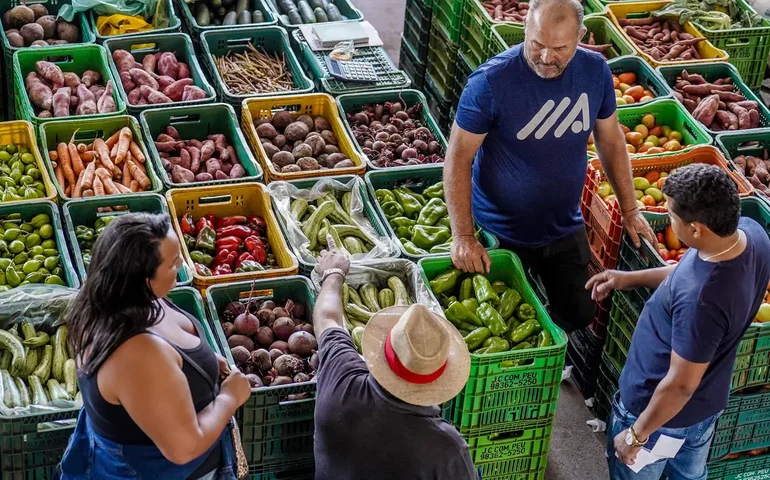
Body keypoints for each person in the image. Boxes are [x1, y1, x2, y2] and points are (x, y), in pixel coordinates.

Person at [445, 0, 654, 332]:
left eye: (559, 48)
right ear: (526, 28)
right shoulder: (491, 82)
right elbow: (458, 157)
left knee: (580, 313)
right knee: (497, 322)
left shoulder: (595, 70)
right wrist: (464, 236)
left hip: (563, 226)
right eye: (536, 44)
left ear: (580, 36)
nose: (545, 57)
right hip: (499, 230)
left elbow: (611, 141)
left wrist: (630, 210)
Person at [586, 164, 770, 479]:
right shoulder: (750, 234)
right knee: (689, 475)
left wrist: (636, 436)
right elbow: (687, 272)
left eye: (672, 217)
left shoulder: (704, 302)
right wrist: (629, 278)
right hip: (705, 407)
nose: (669, 221)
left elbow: (681, 384)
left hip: (658, 415)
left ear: (697, 228)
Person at [56, 213, 252, 480]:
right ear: (145, 279)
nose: (182, 263)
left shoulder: (110, 300)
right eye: (173, 264)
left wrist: (202, 360)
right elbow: (184, 448)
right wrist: (230, 397)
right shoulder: (137, 354)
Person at [311, 236, 478, 479]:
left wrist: (334, 272)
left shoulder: (341, 384)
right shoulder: (446, 448)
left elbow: (327, 318)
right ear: (438, 379)